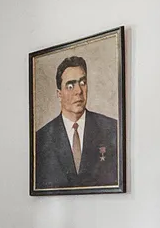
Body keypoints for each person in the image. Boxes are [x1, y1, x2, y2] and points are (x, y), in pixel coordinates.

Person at [34, 55, 119, 189]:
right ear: (59, 94)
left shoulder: (111, 129)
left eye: (82, 83)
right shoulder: (41, 139)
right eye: (70, 86)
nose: (79, 91)